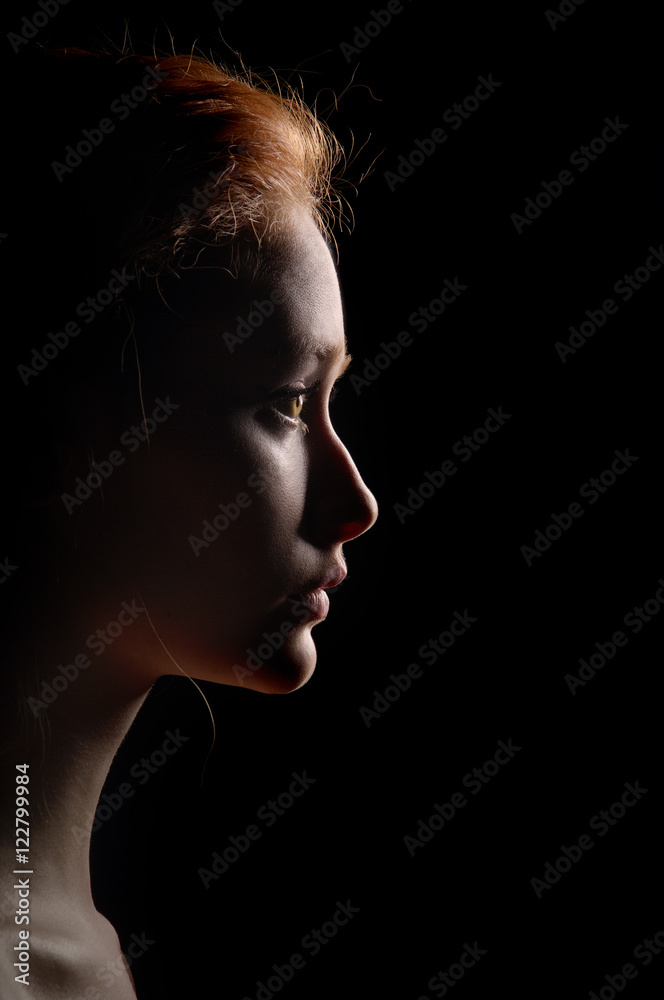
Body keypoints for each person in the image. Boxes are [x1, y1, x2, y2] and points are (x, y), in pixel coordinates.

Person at [0, 43, 377, 998]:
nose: (357, 504)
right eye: (287, 405)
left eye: (330, 402)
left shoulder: (74, 947)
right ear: (61, 430)